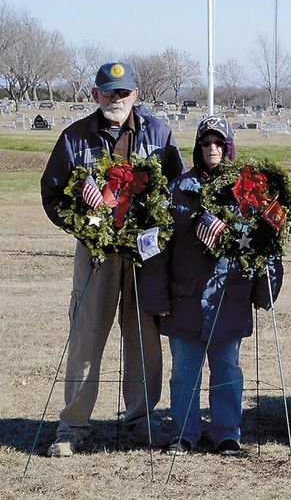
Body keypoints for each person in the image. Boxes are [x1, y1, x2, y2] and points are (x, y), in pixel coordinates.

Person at [39, 61, 185, 457]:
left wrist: (156, 229)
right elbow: (52, 193)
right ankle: (73, 426)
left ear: (136, 95)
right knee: (86, 337)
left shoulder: (159, 134)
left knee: (144, 339)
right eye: (108, 92)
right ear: (95, 94)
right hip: (96, 255)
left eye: (123, 92)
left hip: (144, 255)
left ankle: (141, 420)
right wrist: (84, 222)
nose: (116, 99)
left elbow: (178, 191)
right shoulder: (74, 137)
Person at [139, 116, 282, 456]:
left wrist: (265, 290)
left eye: (219, 143)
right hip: (185, 297)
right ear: (197, 147)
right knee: (184, 372)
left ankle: (226, 432)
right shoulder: (179, 190)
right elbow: (156, 245)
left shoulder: (248, 192)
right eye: (206, 143)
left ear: (229, 147)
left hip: (229, 296)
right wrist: (157, 296)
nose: (212, 148)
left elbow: (267, 244)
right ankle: (184, 432)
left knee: (227, 370)